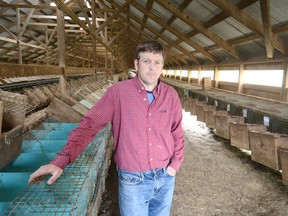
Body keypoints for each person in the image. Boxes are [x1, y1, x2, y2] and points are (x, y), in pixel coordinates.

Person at [28, 40, 185, 216]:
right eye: (146, 61)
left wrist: (175, 165)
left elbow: (177, 132)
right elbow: (89, 125)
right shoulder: (118, 93)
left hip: (165, 176)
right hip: (133, 180)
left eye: (157, 62)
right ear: (136, 64)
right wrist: (61, 161)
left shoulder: (170, 95)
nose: (152, 67)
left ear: (162, 66)